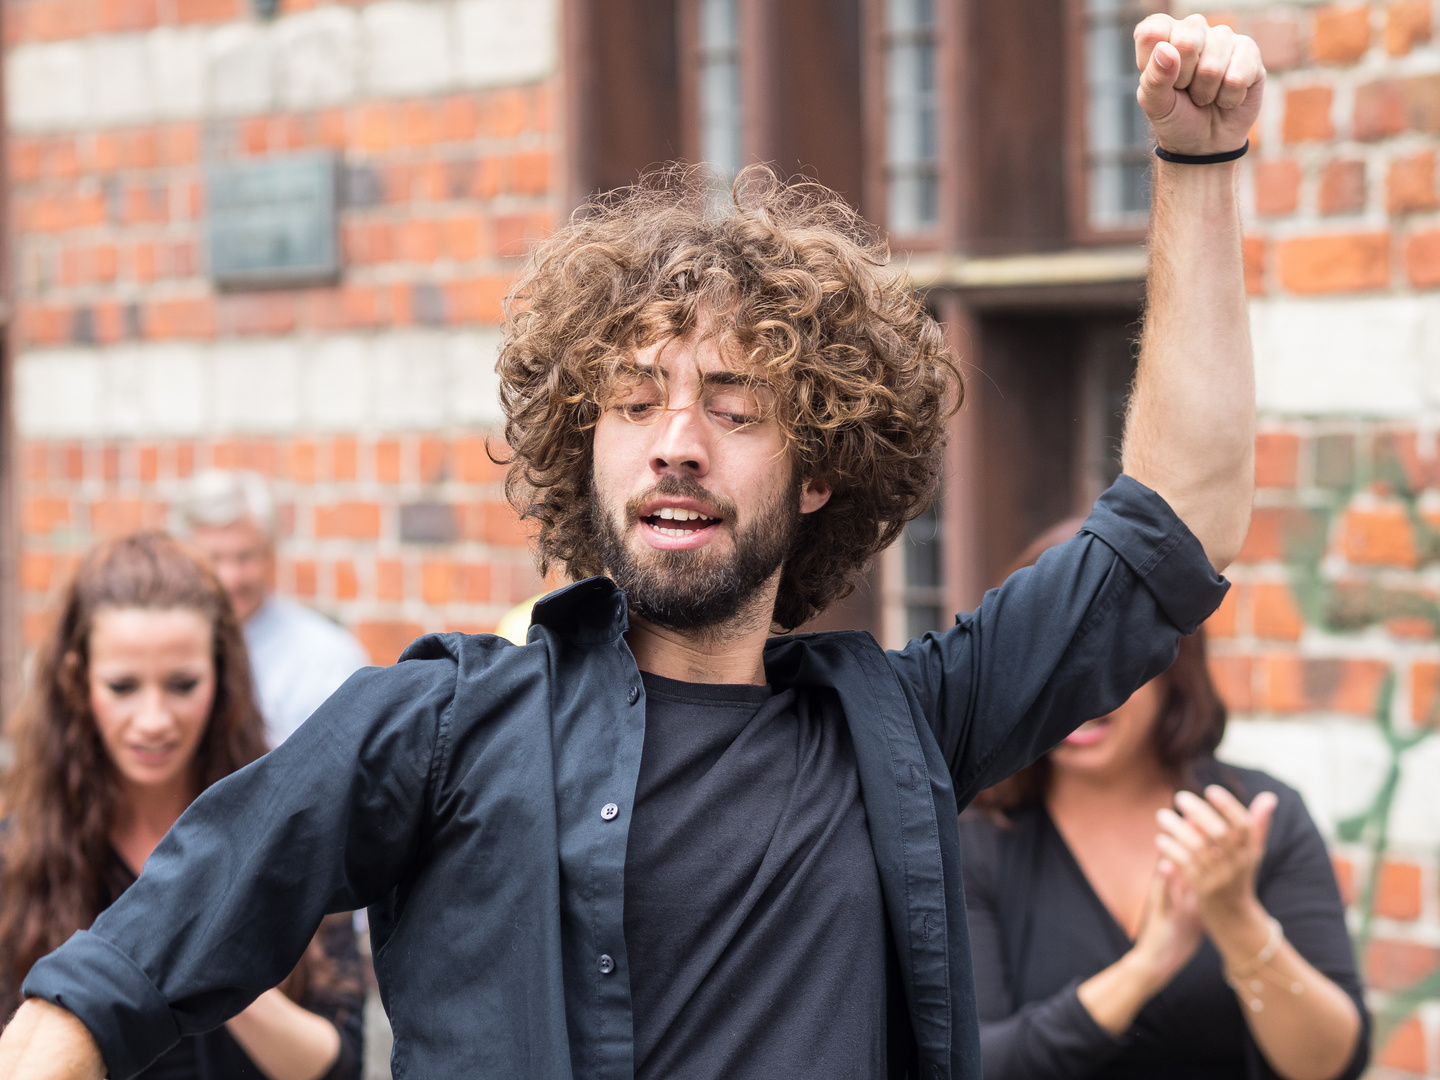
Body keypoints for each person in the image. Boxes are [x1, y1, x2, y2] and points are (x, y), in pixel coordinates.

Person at [0, 15, 1264, 1079]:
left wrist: (1199, 168)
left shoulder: (907, 732)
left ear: (820, 467)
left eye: (733, 406)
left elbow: (1176, 520)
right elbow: (99, 993)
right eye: (632, 401)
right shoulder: (433, 727)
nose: (675, 442)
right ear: (582, 446)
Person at [961, 519, 1368, 1080]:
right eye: (1048, 660)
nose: (1077, 691)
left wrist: (1239, 921)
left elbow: (1330, 1063)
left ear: (1173, 666)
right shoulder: (975, 837)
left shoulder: (1256, 816)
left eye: (1109, 658)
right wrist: (1144, 969)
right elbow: (973, 1065)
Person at [0, 533, 365, 1080]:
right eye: (123, 686)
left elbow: (341, 1063)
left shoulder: (283, 830)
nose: (153, 720)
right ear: (79, 680)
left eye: (182, 684)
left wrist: (211, 950)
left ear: (221, 675)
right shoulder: (20, 855)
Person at [177, 470, 369, 748]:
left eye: (245, 557)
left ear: (270, 554)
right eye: (213, 558)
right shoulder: (164, 651)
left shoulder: (327, 658)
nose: (230, 578)